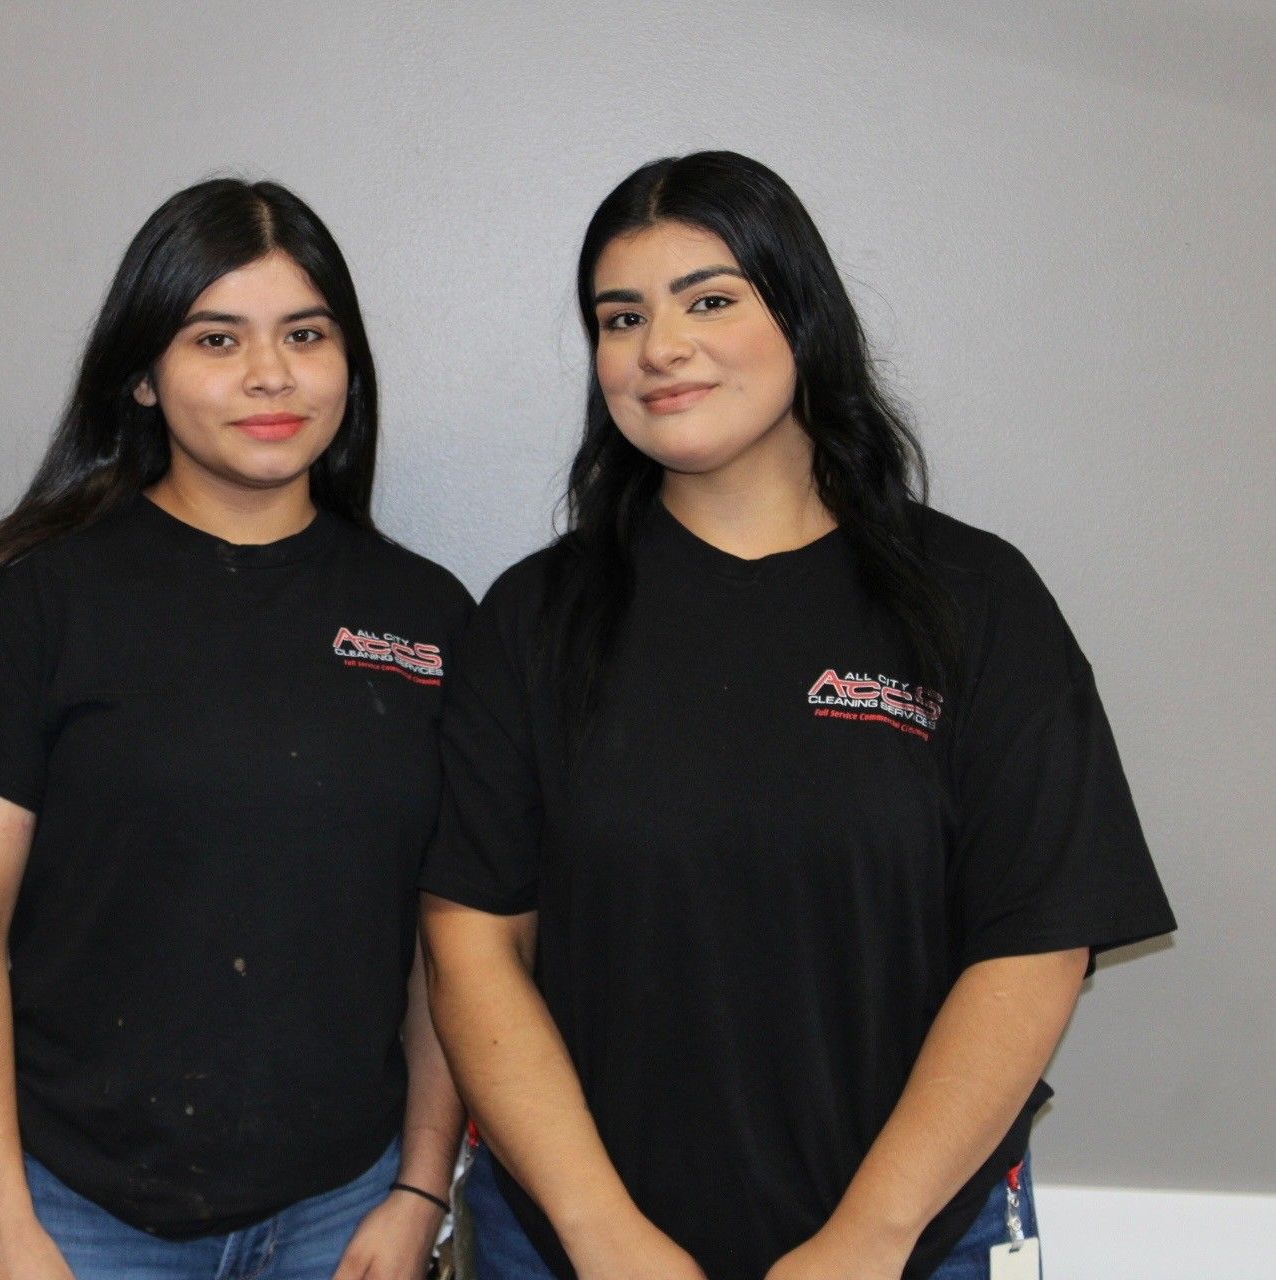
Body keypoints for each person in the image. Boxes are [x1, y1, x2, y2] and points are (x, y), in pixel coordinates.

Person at [418, 151, 1176, 1280]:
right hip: (572, 1247)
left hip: (911, 1243)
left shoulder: (974, 600)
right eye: (621, 317)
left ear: (802, 316)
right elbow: (473, 943)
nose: (659, 347)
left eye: (709, 300)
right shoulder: (533, 617)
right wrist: (599, 1233)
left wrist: (870, 1238)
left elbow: (1034, 942)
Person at [0, 178, 469, 1280]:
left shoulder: (430, 618)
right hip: (79, 1217)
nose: (270, 374)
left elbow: (455, 942)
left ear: (347, 362)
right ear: (143, 375)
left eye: (306, 334)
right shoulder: (37, 606)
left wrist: (419, 1188)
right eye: (216, 338)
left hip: (346, 1214)